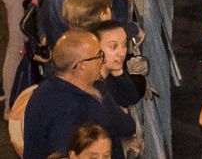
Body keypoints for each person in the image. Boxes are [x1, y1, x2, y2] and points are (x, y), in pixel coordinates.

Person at [21, 30, 136, 159]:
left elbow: (124, 126)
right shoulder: (70, 114)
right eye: (99, 56)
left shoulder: (49, 89)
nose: (102, 61)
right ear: (82, 66)